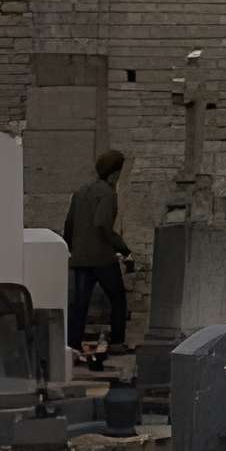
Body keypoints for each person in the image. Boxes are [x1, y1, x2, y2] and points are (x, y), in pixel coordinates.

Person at [64, 149, 133, 363]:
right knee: (118, 299)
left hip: (80, 257)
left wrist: (73, 249)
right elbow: (102, 223)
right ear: (114, 173)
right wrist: (123, 249)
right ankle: (117, 341)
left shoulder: (81, 192)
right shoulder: (107, 193)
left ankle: (72, 345)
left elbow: (69, 225)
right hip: (102, 257)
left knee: (80, 305)